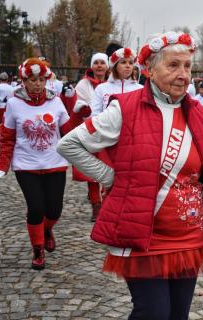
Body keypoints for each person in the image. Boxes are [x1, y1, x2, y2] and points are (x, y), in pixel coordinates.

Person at [57, 31, 203, 320]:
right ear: (150, 70)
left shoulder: (196, 112)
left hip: (188, 237)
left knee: (178, 315)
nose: (183, 74)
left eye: (187, 66)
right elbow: (69, 143)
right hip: (144, 235)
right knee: (153, 313)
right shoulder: (125, 108)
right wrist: (111, 177)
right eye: (173, 65)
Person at [0, 58, 90, 270]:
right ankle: (38, 249)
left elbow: (66, 131)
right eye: (32, 80)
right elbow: (7, 138)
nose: (38, 84)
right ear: (24, 81)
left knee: (54, 210)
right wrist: (2, 166)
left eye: (41, 79)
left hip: (55, 163)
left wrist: (78, 115)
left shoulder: (56, 101)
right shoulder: (13, 104)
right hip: (26, 166)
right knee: (36, 208)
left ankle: (47, 229)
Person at [73, 52, 109, 221]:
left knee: (110, 167)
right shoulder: (82, 85)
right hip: (91, 130)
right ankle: (96, 205)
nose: (99, 66)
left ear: (108, 66)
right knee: (92, 170)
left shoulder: (113, 83)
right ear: (92, 66)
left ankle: (107, 199)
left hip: (110, 130)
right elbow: (78, 106)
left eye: (103, 62)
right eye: (96, 63)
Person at [90, 47, 143, 116]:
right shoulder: (101, 89)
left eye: (131, 63)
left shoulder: (141, 89)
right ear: (115, 66)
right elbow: (94, 115)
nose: (128, 66)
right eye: (123, 62)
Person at [0, 72, 15, 140]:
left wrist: (2, 99)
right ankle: (7, 135)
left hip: (0, 106)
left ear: (0, 78)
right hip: (8, 106)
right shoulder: (11, 87)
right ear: (7, 79)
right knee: (7, 121)